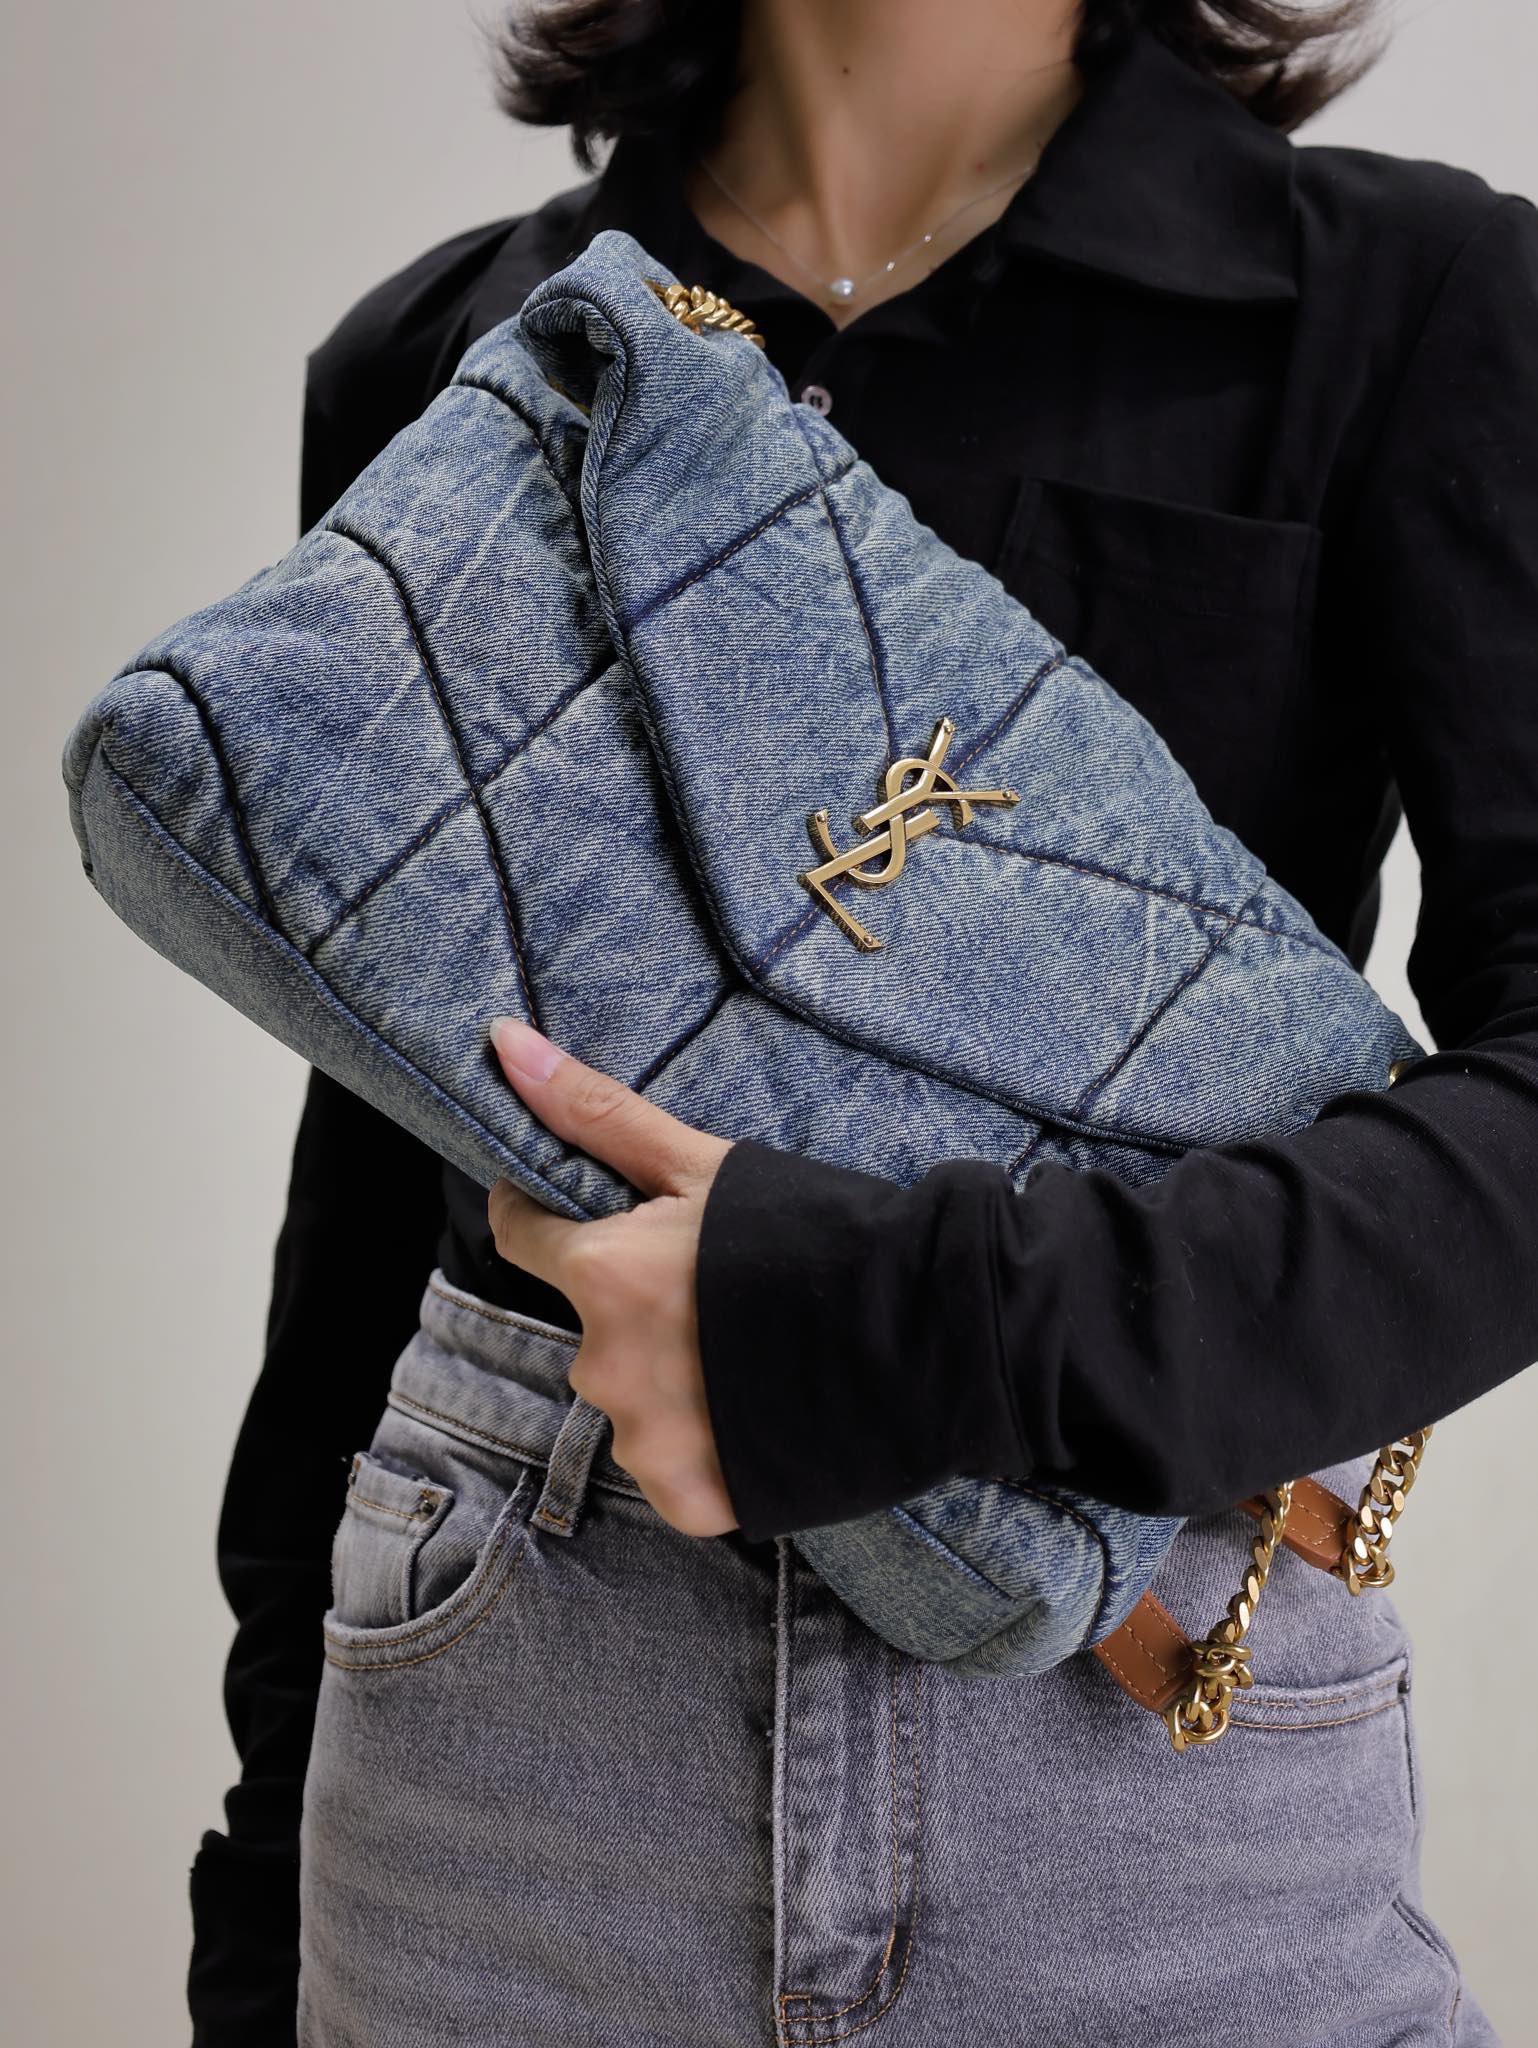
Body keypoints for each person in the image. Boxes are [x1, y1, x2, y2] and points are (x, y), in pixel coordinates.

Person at [186, 1, 1538, 2040]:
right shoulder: (455, 353)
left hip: (1134, 1706)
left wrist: (931, 1321)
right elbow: (376, 1198)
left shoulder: (1403, 299)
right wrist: (254, 1914)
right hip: (508, 1740)